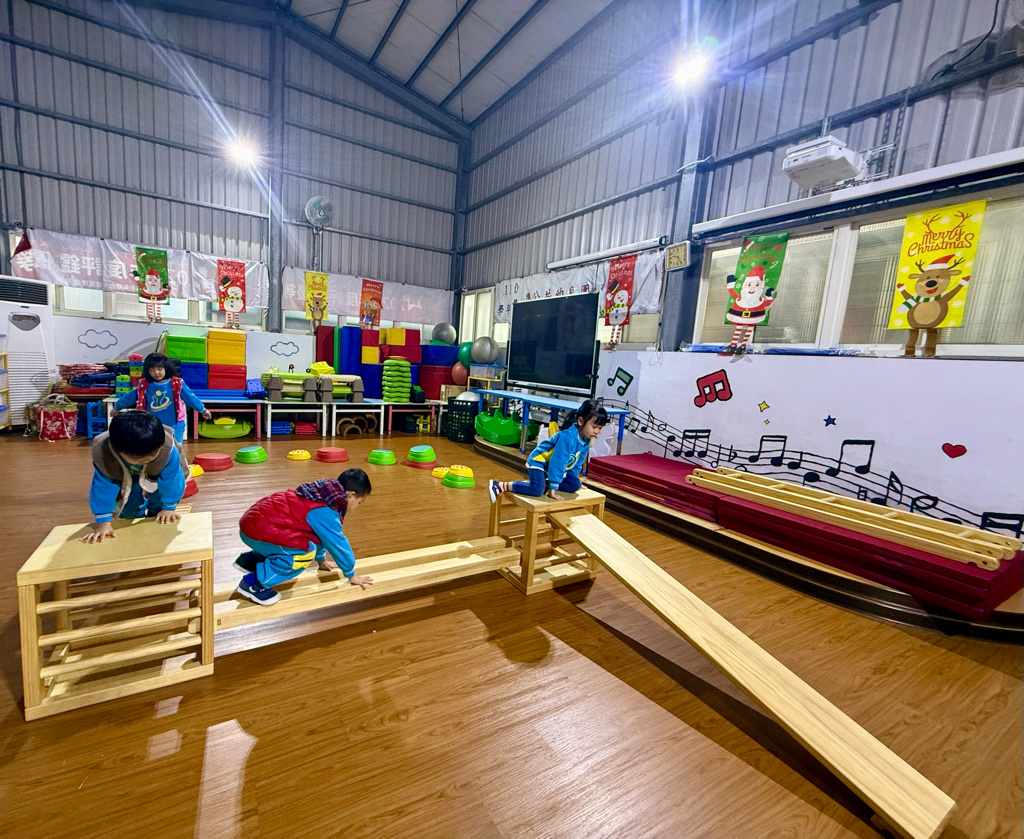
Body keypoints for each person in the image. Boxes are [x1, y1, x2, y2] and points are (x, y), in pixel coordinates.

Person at [233, 468, 374, 606]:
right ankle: (253, 584)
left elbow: (318, 536)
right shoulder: (326, 511)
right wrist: (351, 574)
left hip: (252, 523)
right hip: (257, 532)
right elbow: (338, 544)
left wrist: (321, 561)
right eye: (359, 501)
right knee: (304, 553)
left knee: (298, 542)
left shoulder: (322, 493)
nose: (358, 505)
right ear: (351, 495)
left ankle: (249, 561)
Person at [81, 411, 188, 543]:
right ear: (118, 450)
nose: (147, 459)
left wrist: (169, 508)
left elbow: (172, 480)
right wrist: (103, 523)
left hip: (157, 471)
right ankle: (135, 520)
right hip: (122, 472)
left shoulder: (166, 449)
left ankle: (156, 516)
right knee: (128, 506)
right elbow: (103, 487)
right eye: (137, 458)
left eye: (153, 454)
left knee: (160, 503)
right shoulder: (105, 454)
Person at [489, 399, 609, 502]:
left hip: (552, 466)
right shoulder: (567, 437)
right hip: (539, 462)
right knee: (537, 490)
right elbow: (558, 462)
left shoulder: (586, 440)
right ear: (580, 421)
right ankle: (500, 485)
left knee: (575, 485)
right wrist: (553, 488)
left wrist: (575, 480)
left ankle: (541, 482)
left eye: (600, 428)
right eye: (594, 427)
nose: (596, 432)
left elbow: (577, 463)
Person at [114, 352, 211, 443]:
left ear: (166, 368)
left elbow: (190, 397)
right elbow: (129, 397)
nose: (156, 373)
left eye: (159, 369)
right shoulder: (144, 385)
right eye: (152, 370)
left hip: (175, 423)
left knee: (175, 446)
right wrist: (117, 407)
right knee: (155, 446)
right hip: (153, 424)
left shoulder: (177, 383)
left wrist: (202, 409)